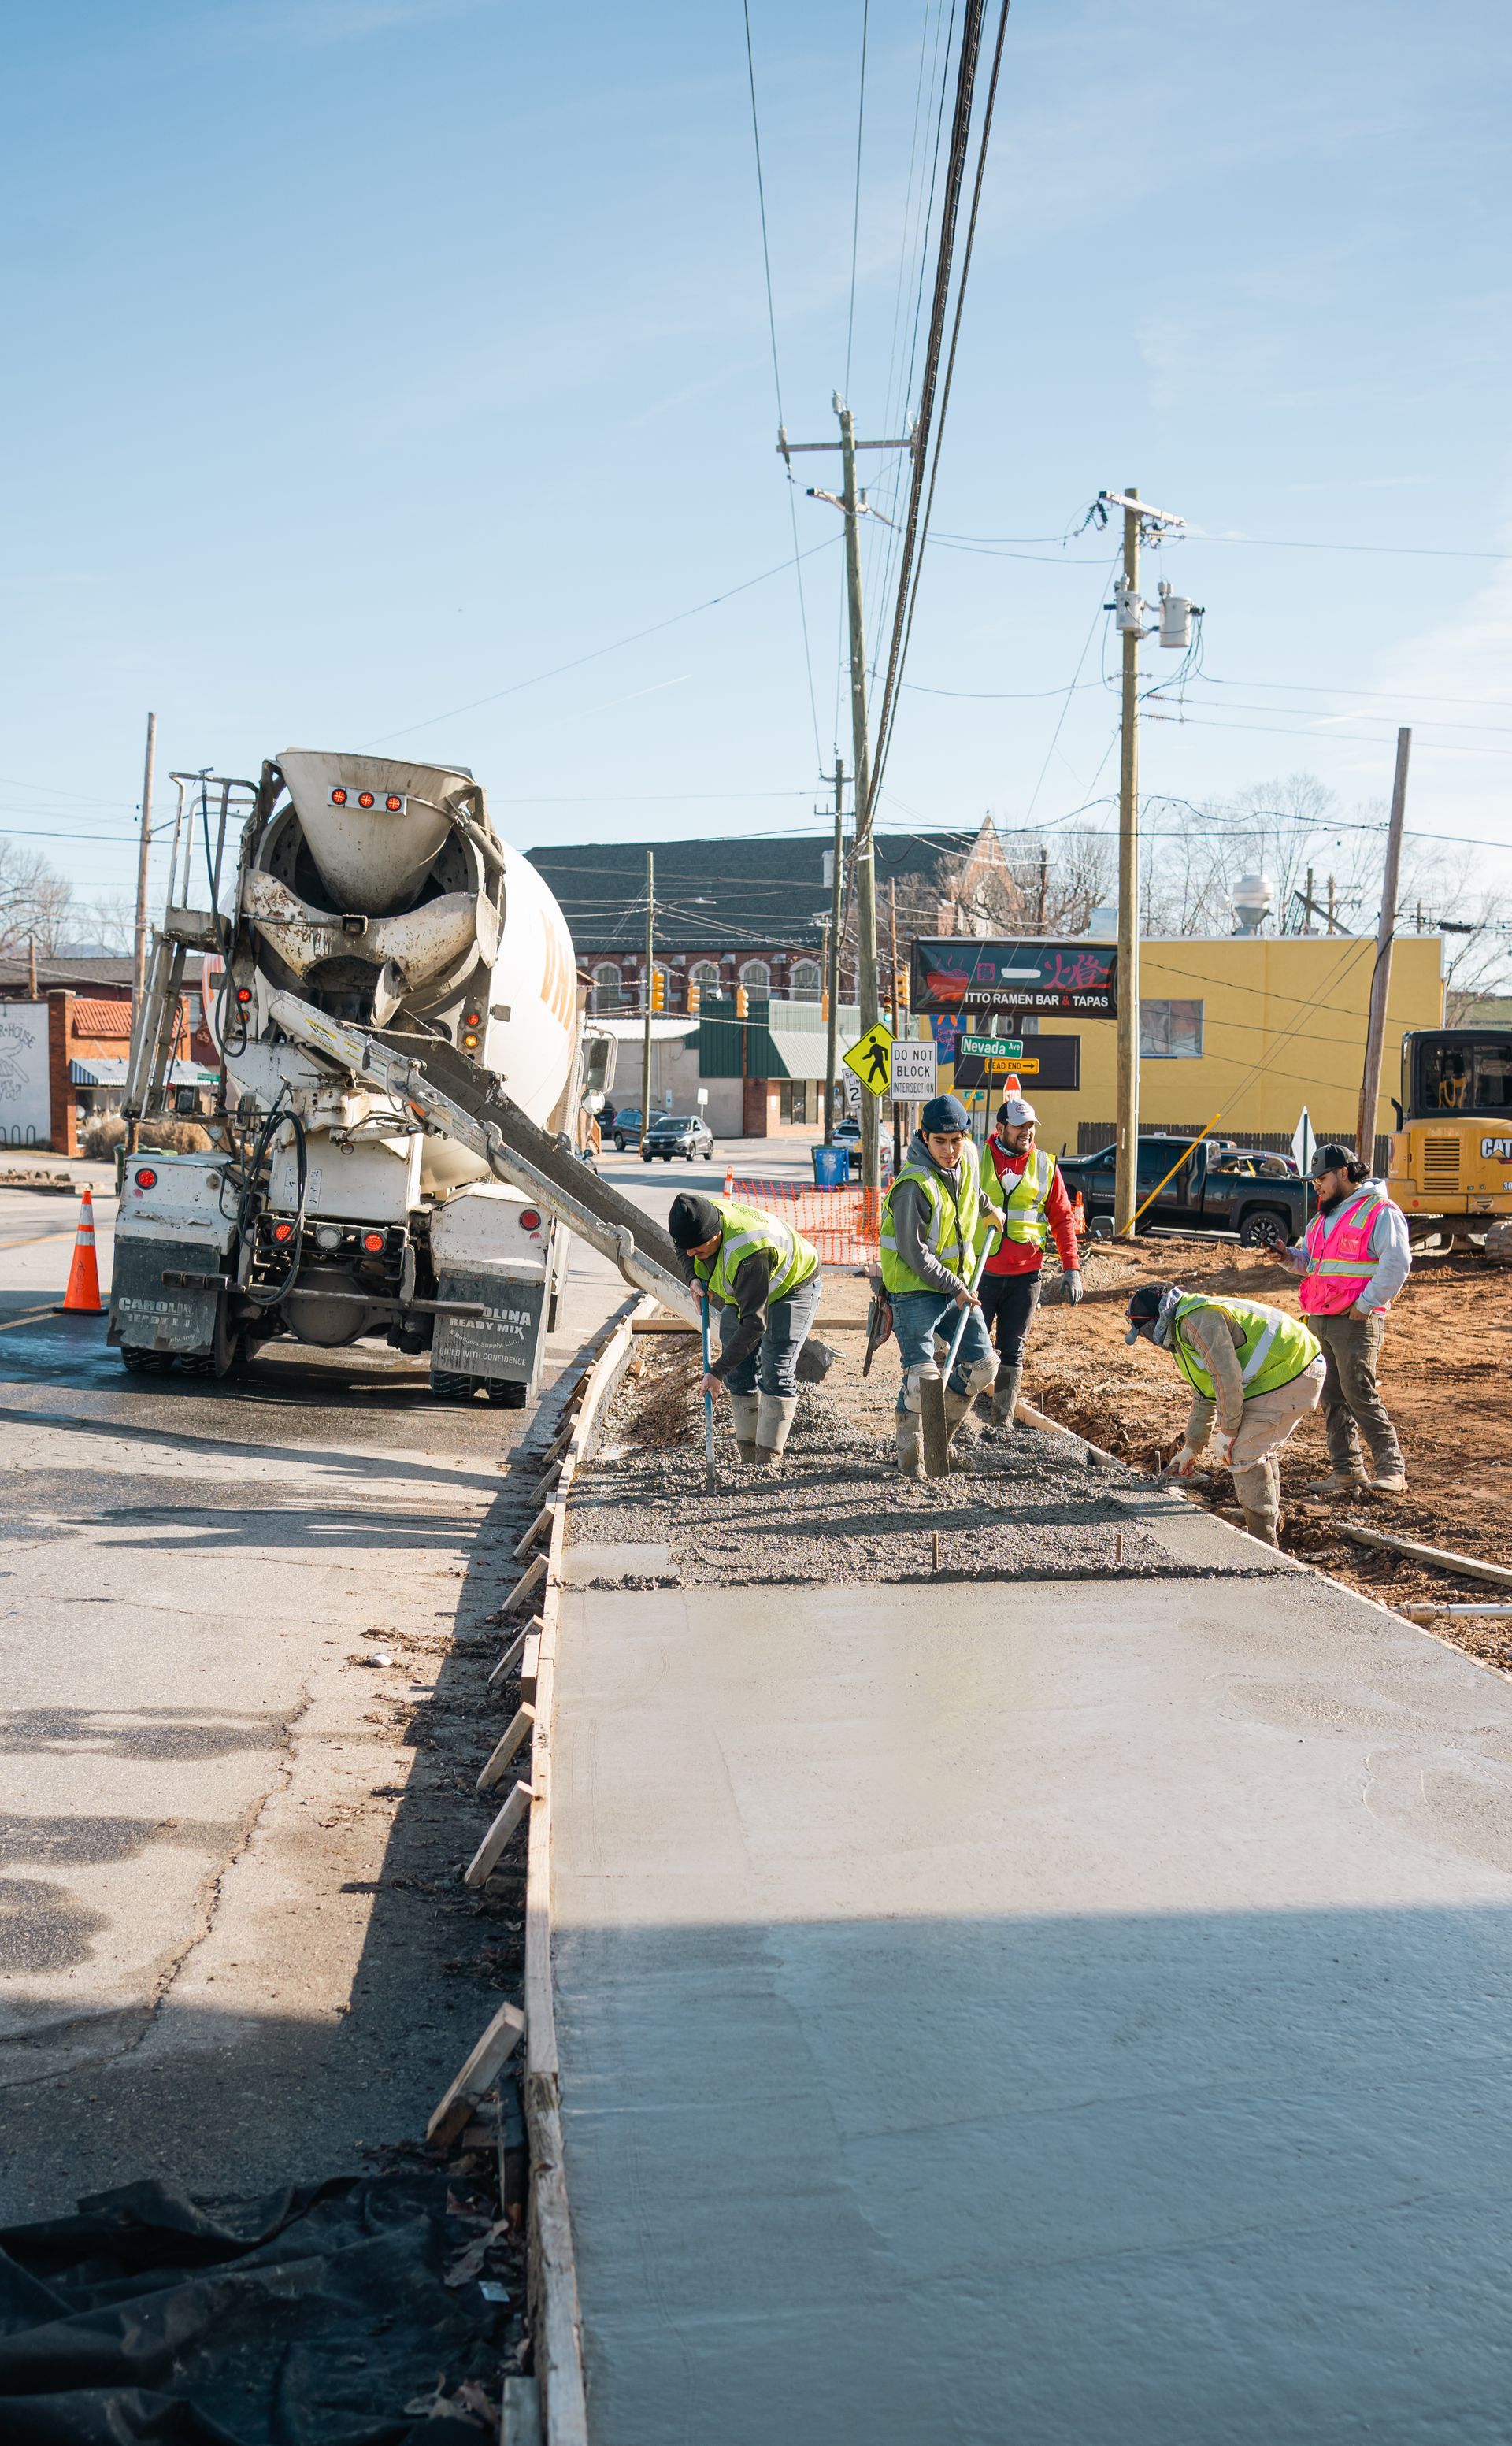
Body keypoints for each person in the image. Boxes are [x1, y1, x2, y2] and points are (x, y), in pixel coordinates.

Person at [1125, 1280, 1325, 1546]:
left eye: (1145, 1331)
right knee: (1253, 1445)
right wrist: (1192, 1448)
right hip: (1274, 1375)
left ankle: (1263, 1541)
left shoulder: (1199, 1320)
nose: (1149, 1339)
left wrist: (1228, 1431)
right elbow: (1206, 1391)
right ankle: (1266, 1518)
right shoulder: (1181, 1329)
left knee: (1242, 1450)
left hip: (1294, 1369)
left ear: (1156, 1319)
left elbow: (1226, 1378)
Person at [879, 1094, 1006, 1477]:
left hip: (955, 1287)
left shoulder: (966, 1158)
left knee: (984, 1366)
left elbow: (968, 1192)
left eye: (957, 1141)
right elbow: (915, 1254)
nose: (950, 1150)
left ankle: (939, 1442)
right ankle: (910, 1459)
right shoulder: (912, 1186)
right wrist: (955, 1287)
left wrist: (988, 1208)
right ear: (924, 1137)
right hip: (916, 1289)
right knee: (922, 1382)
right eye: (940, 1142)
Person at [1280, 1142, 1411, 1495]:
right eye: (1313, 1181)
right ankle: (1347, 1470)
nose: (1316, 1186)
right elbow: (1311, 1263)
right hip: (1321, 1318)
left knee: (1359, 1393)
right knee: (1332, 1396)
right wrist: (1286, 1256)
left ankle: (1391, 1468)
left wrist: (1366, 1304)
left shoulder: (1380, 1211)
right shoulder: (1322, 1218)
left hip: (1355, 1321)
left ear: (1343, 1173)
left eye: (1320, 1178)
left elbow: (1397, 1264)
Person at [668, 1191, 821, 1469]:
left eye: (698, 1250)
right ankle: (747, 1459)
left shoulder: (749, 1252)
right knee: (738, 1372)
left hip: (792, 1288)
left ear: (714, 1234)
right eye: (688, 1248)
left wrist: (715, 1372)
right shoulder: (696, 1217)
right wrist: (692, 1276)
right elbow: (684, 1247)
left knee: (777, 1369)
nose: (692, 1254)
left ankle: (766, 1462)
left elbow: (755, 1324)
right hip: (748, 1291)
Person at [976, 1091, 1082, 1427]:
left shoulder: (1045, 1165)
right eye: (1019, 1126)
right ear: (1001, 1127)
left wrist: (1072, 1268)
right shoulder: (976, 1159)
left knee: (1013, 1351)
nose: (1027, 1132)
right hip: (981, 1273)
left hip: (1025, 1277)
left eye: (1031, 1126)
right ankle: (954, 1420)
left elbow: (1062, 1219)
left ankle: (1001, 1424)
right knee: (971, 1350)